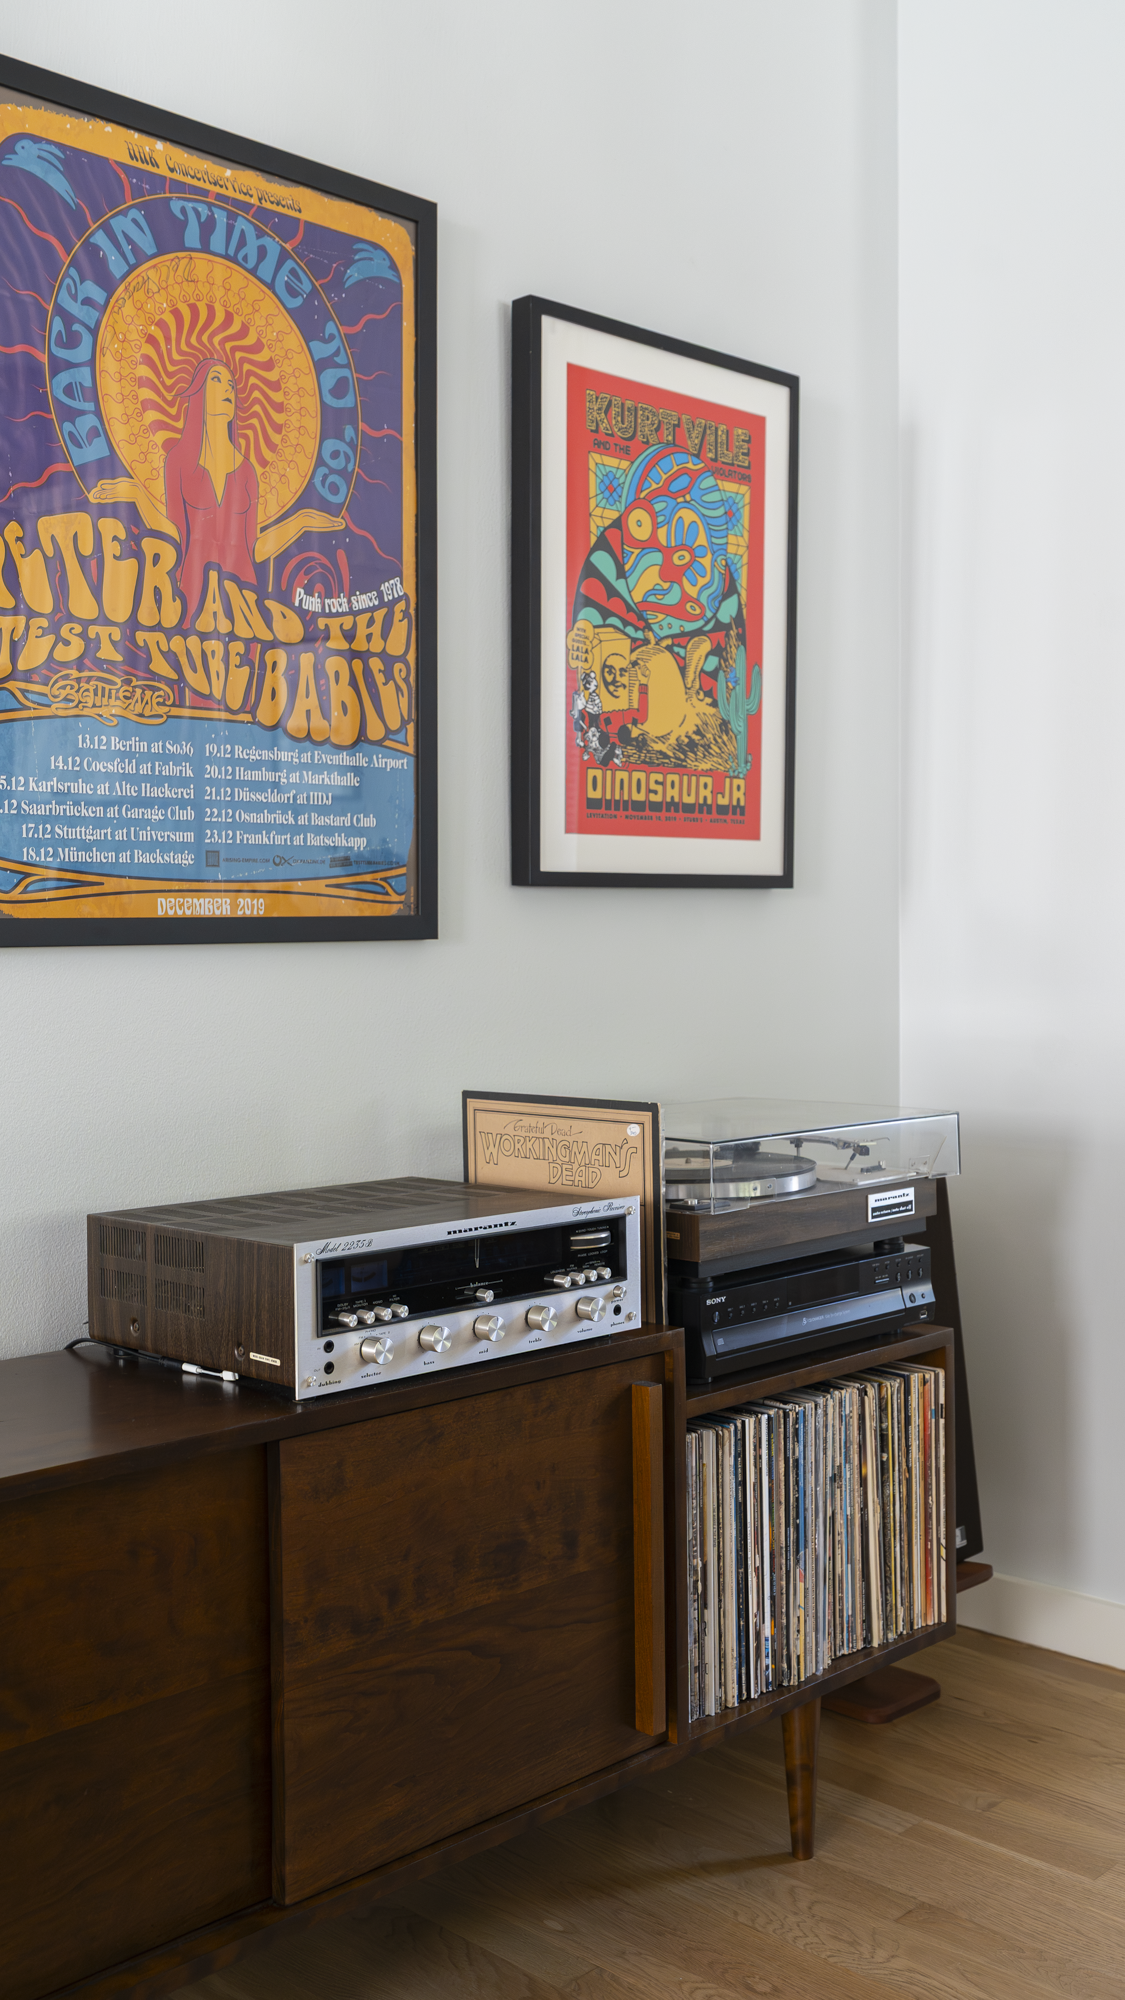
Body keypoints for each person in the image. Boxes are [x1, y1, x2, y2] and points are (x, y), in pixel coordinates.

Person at [162, 360, 259, 624]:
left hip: (243, 595)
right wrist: (137, 497)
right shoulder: (178, 460)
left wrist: (299, 523)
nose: (228, 389)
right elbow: (173, 534)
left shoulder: (247, 470)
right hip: (192, 591)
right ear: (199, 392)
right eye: (216, 380)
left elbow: (255, 546)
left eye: (231, 385)